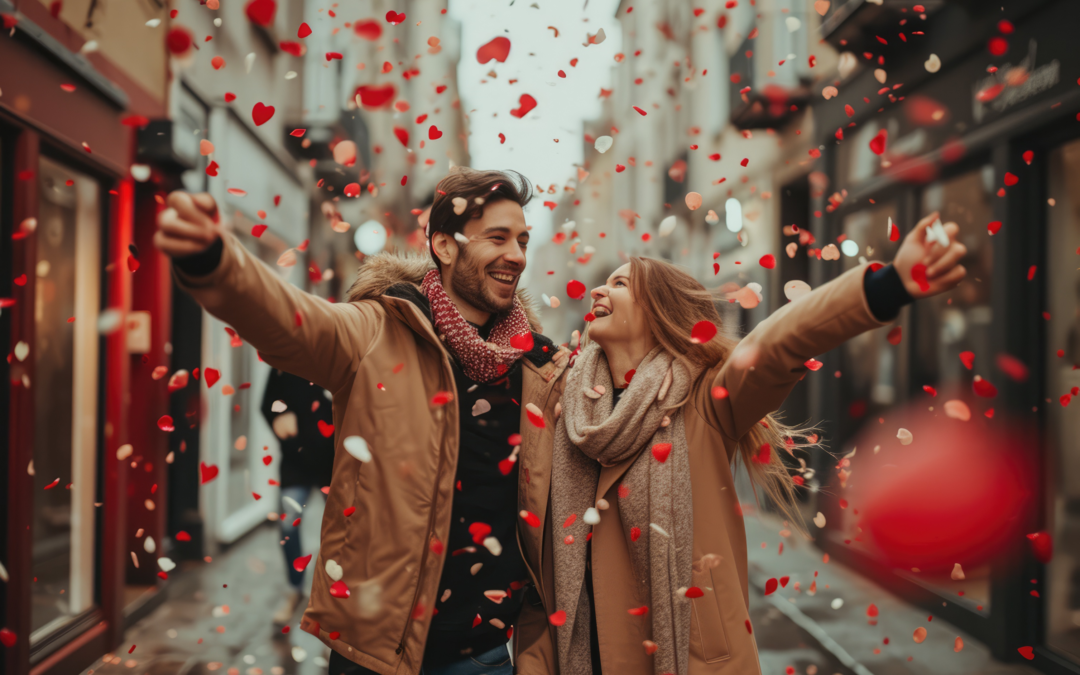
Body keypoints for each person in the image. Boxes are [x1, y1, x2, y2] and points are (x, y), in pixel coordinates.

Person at [155, 167, 570, 675]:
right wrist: (216, 262)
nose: (517, 255)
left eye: (523, 240)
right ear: (443, 244)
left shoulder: (536, 367)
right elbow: (292, 321)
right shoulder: (378, 329)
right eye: (498, 238)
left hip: (483, 655)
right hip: (372, 656)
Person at [546, 212, 967, 675]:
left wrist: (889, 285)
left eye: (621, 284)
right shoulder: (567, 403)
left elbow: (779, 341)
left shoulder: (706, 400)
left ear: (658, 312)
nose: (599, 291)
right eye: (605, 283)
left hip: (691, 660)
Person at [259, 367, 336, 627]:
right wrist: (279, 416)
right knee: (287, 525)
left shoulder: (338, 356)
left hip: (336, 464)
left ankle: (331, 604)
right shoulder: (286, 360)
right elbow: (266, 402)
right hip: (296, 462)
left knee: (341, 533)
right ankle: (295, 589)